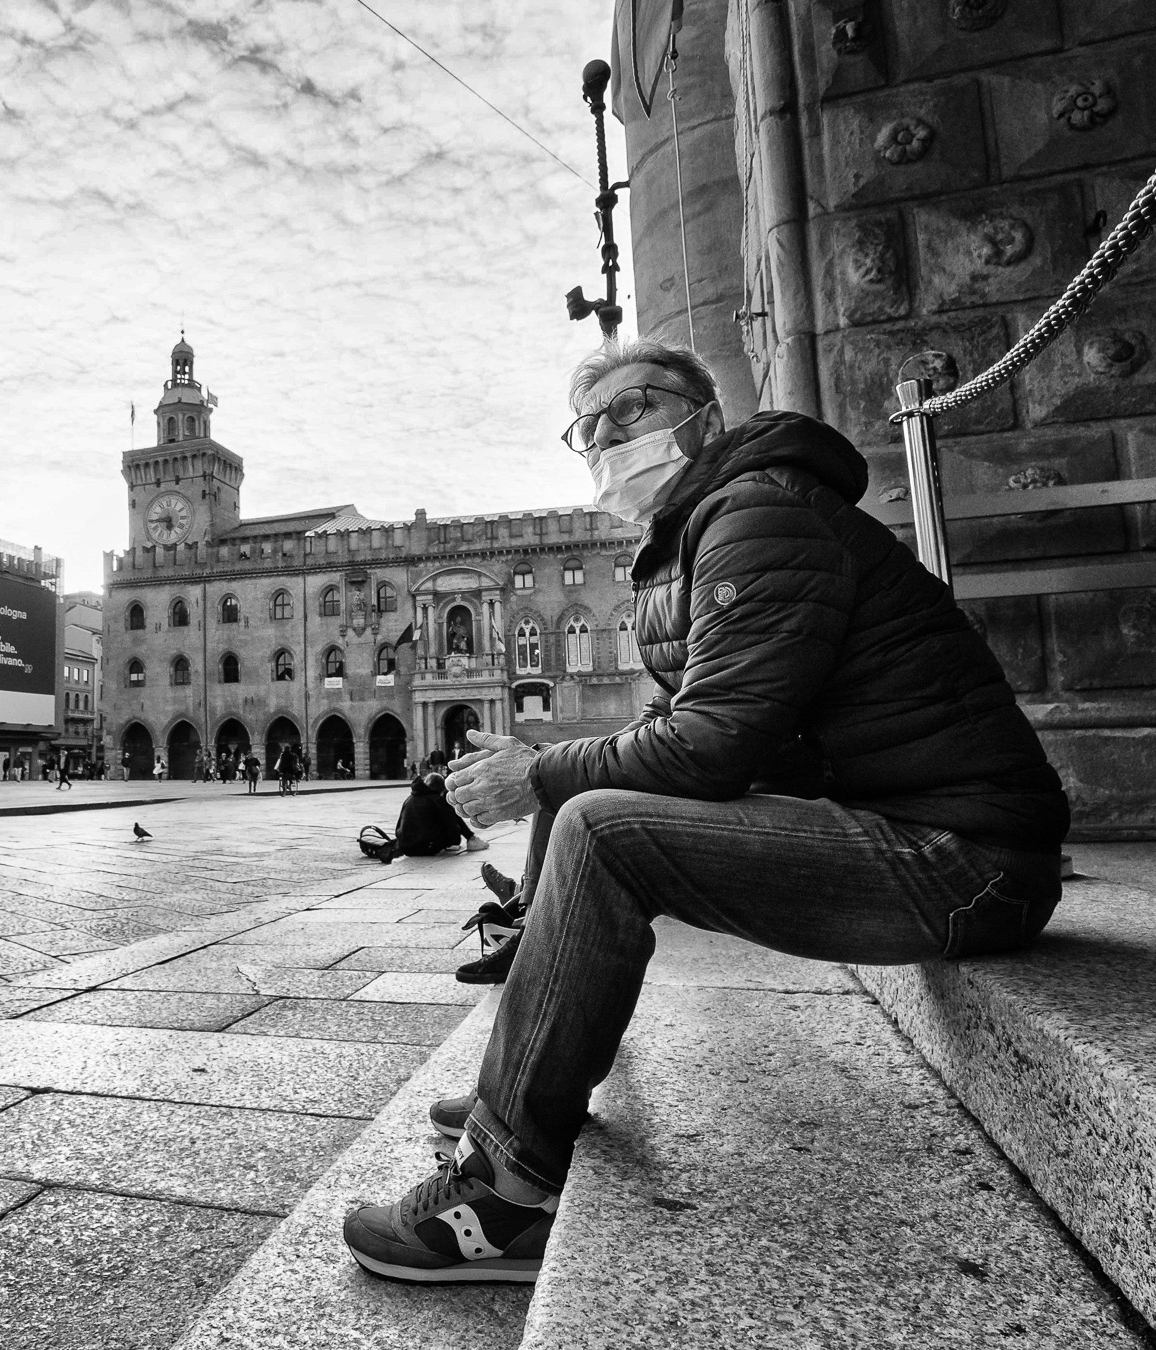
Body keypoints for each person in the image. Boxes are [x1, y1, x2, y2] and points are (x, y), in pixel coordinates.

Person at [341, 338, 1070, 1285]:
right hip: (907, 830)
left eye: (632, 408)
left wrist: (542, 773)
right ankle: (527, 1087)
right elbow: (685, 730)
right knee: (580, 795)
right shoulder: (703, 528)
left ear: (705, 418)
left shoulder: (759, 514)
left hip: (966, 862)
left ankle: (504, 1196)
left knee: (597, 823)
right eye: (589, 426)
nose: (609, 436)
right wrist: (549, 779)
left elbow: (712, 744)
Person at [360, 772, 489, 866]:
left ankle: (471, 838)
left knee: (446, 809)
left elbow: (399, 826)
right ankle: (471, 839)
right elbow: (452, 826)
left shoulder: (410, 798)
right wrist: (454, 840)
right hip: (425, 847)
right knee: (449, 810)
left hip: (405, 845)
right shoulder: (436, 800)